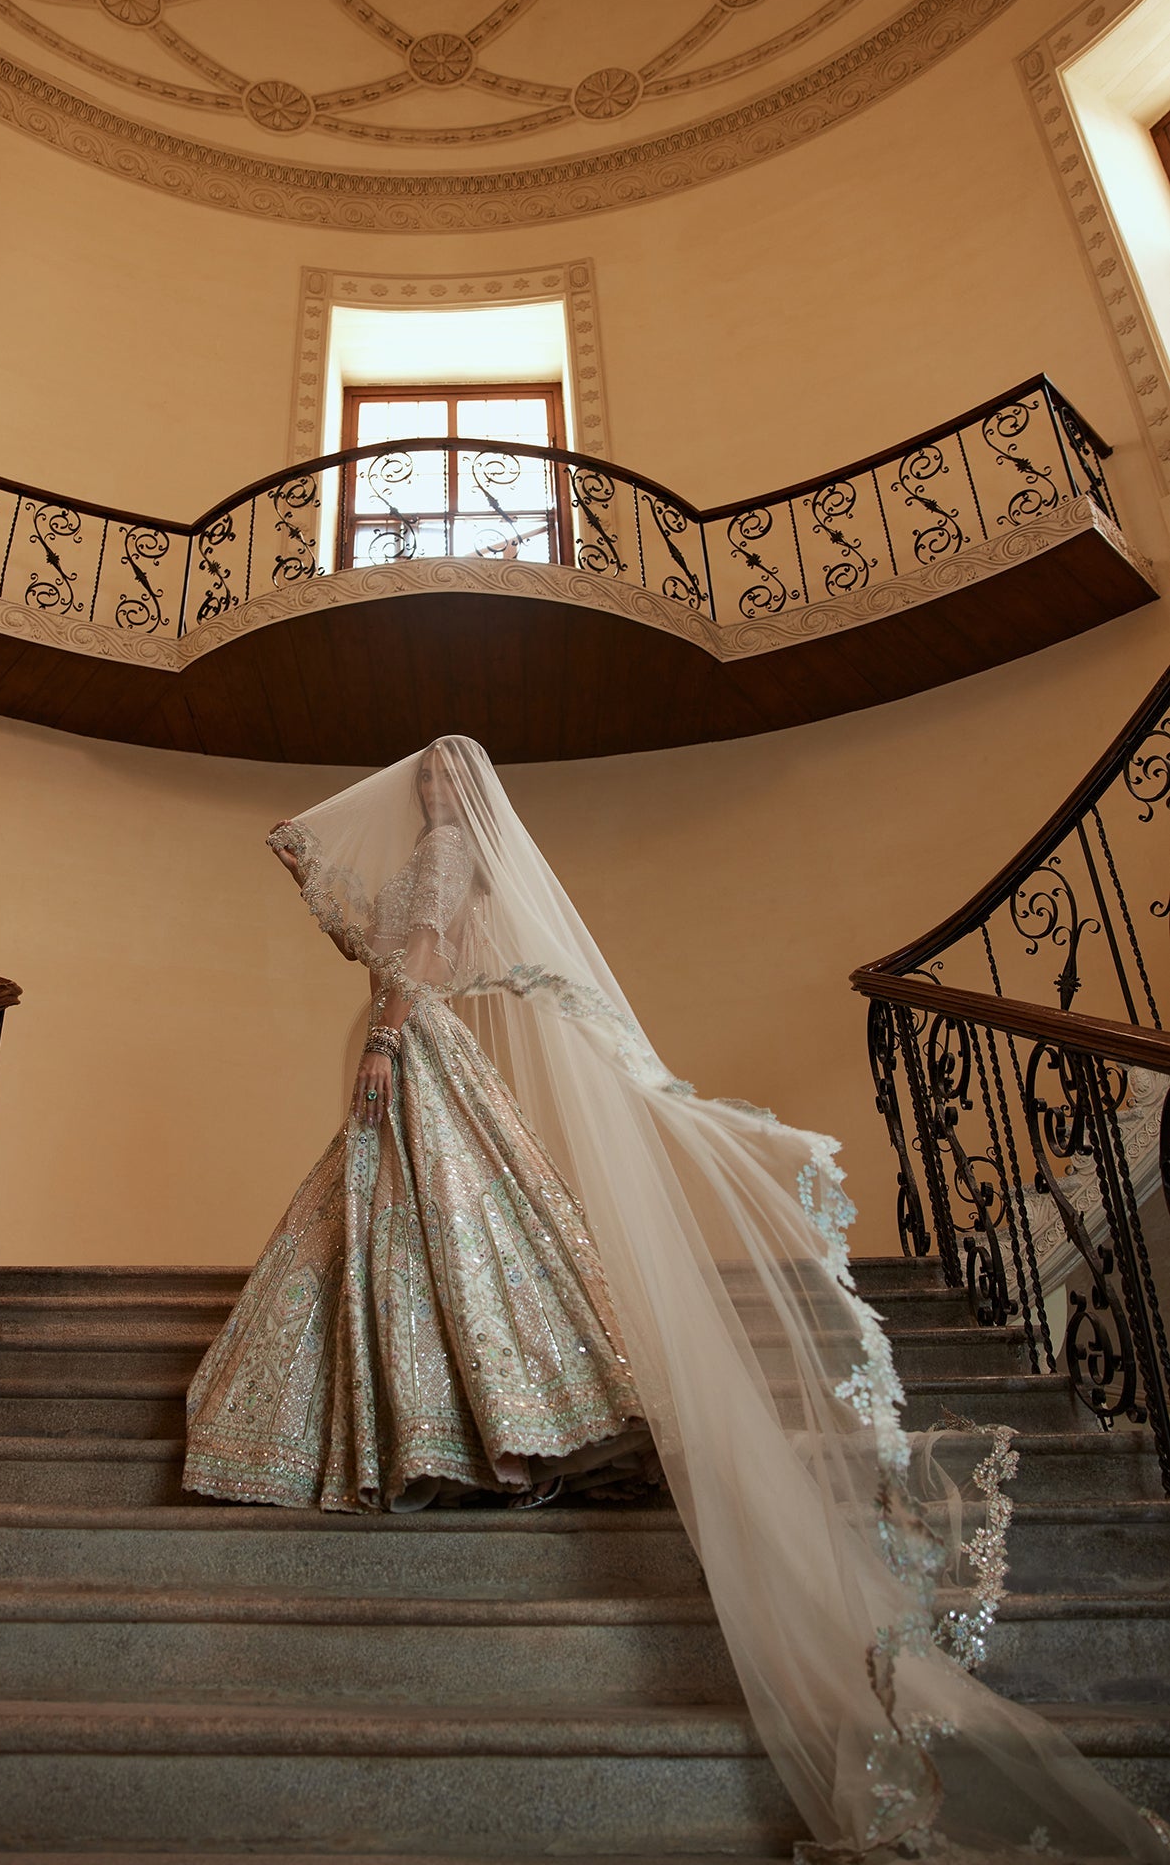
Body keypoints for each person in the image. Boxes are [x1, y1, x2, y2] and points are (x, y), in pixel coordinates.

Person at [185, 737, 1167, 1863]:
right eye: (425, 783)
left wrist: (387, 1038)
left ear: (471, 796)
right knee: (404, 1230)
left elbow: (415, 952)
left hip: (415, 1045)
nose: (430, 793)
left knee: (443, 1233)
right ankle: (472, 1419)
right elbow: (389, 936)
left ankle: (490, 1423)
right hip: (418, 1042)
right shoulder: (446, 850)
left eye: (447, 781)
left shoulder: (450, 851)